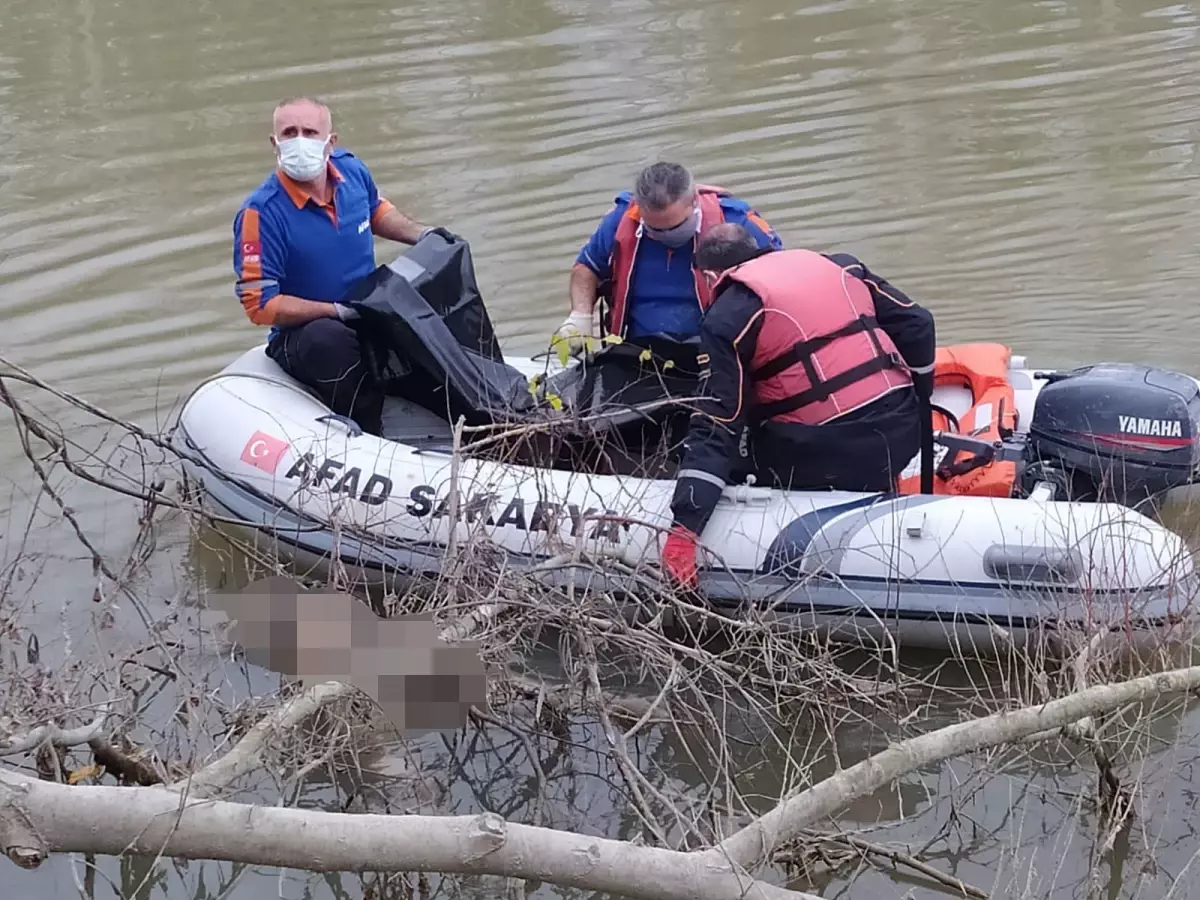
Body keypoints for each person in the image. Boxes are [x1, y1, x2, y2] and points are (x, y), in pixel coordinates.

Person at [660, 223, 937, 588]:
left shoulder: (728, 316)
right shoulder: (841, 265)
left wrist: (684, 530)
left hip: (826, 454)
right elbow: (918, 323)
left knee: (722, 447)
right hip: (903, 433)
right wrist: (920, 402)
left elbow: (718, 422)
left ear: (710, 276)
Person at [233, 96, 457, 436]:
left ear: (330, 142)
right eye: (289, 132)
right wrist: (334, 311)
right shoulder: (262, 213)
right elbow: (258, 305)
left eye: (310, 132)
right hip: (306, 336)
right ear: (274, 143)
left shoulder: (352, 171)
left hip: (366, 311)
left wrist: (423, 234)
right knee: (328, 339)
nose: (299, 141)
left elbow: (377, 211)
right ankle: (367, 431)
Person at [554, 162, 783, 351]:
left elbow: (780, 279)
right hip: (639, 353)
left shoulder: (737, 222)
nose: (666, 236)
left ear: (694, 202)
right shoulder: (621, 220)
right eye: (655, 230)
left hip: (718, 352)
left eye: (675, 227)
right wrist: (580, 316)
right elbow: (586, 268)